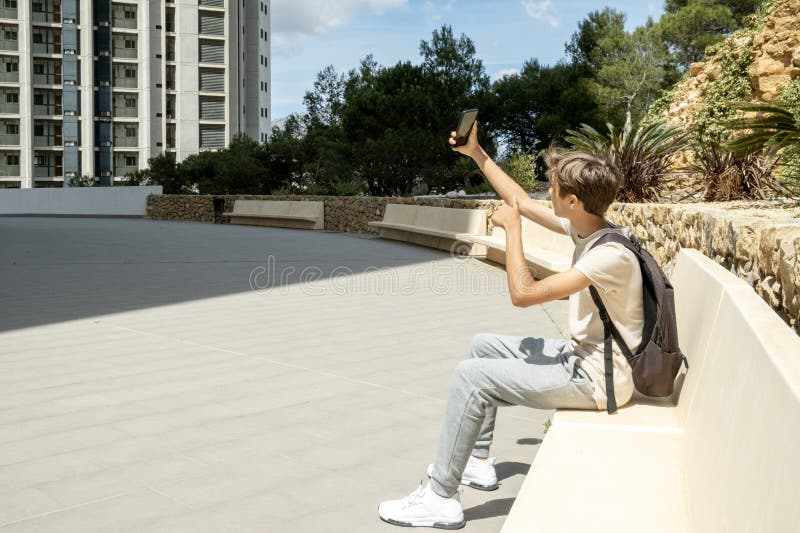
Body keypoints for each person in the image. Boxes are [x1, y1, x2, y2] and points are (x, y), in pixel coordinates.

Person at [378, 123, 645, 529]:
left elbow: (524, 294)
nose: (545, 192)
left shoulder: (608, 256)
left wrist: (513, 230)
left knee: (471, 377)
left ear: (572, 200)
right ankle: (480, 462)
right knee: (484, 345)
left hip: (599, 380)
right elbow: (518, 198)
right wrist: (477, 153)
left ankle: (440, 498)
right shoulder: (589, 226)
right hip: (584, 359)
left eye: (552, 188)